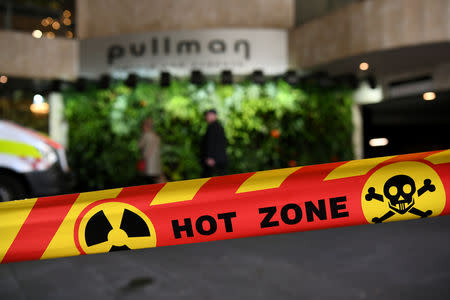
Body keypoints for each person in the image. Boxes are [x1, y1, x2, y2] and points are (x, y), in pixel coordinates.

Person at [201, 109, 227, 177]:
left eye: (208, 115)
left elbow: (211, 143)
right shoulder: (218, 126)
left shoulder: (213, 127)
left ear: (214, 116)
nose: (207, 117)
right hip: (218, 159)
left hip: (214, 160)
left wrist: (210, 157)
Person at [138, 118, 165, 183]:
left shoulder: (145, 135)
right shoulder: (156, 136)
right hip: (156, 161)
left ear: (145, 126)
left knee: (149, 178)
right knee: (158, 177)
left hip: (148, 161)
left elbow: (139, 145)